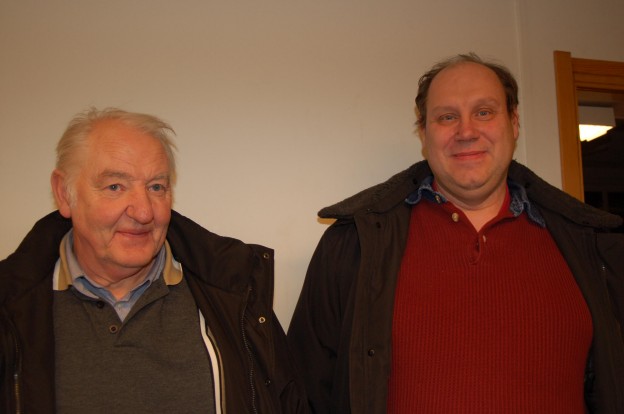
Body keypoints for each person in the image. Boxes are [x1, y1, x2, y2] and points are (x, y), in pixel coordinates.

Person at [288, 53, 624, 413]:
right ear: (423, 132)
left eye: (484, 112)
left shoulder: (595, 248)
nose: (466, 132)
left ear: (513, 123)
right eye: (447, 117)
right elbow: (304, 394)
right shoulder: (353, 244)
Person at [0, 108, 306, 413]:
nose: (144, 212)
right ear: (64, 194)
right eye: (115, 186)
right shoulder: (10, 308)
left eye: (156, 187)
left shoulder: (234, 295)